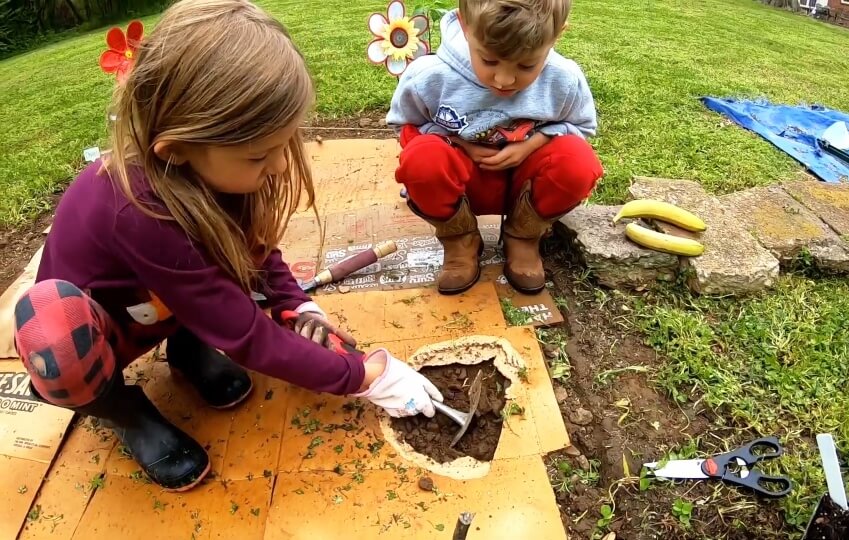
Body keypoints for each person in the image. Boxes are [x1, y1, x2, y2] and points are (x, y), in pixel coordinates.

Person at [13, 0, 442, 493]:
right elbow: (247, 335)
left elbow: (253, 252)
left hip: (167, 299)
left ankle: (188, 349)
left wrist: (294, 303)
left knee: (206, 279)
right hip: (109, 327)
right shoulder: (140, 213)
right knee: (57, 339)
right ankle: (124, 412)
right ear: (176, 149)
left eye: (284, 145)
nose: (280, 166)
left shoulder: (202, 166)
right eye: (261, 154)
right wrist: (362, 375)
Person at [387, 0, 605, 295]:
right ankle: (460, 241)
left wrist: (533, 144)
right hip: (463, 186)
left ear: (556, 35)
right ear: (465, 26)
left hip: (525, 188)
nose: (504, 80)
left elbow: (581, 127)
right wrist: (459, 144)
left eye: (527, 65)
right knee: (422, 159)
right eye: (489, 61)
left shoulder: (564, 79)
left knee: (578, 162)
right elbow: (407, 126)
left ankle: (523, 238)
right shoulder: (430, 77)